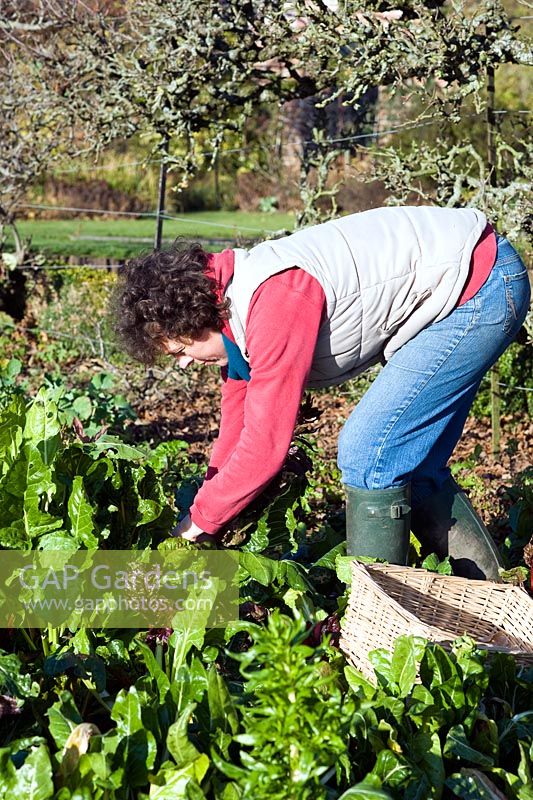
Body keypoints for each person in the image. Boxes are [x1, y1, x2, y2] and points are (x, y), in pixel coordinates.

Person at [112, 206, 530, 580]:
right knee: (407, 462)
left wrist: (195, 529)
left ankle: (379, 619)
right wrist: (201, 515)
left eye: (183, 349)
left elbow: (263, 451)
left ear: (198, 316)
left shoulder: (273, 301)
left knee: (369, 453)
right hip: (468, 280)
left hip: (478, 285)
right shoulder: (234, 319)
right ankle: (491, 602)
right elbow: (235, 435)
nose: (184, 362)